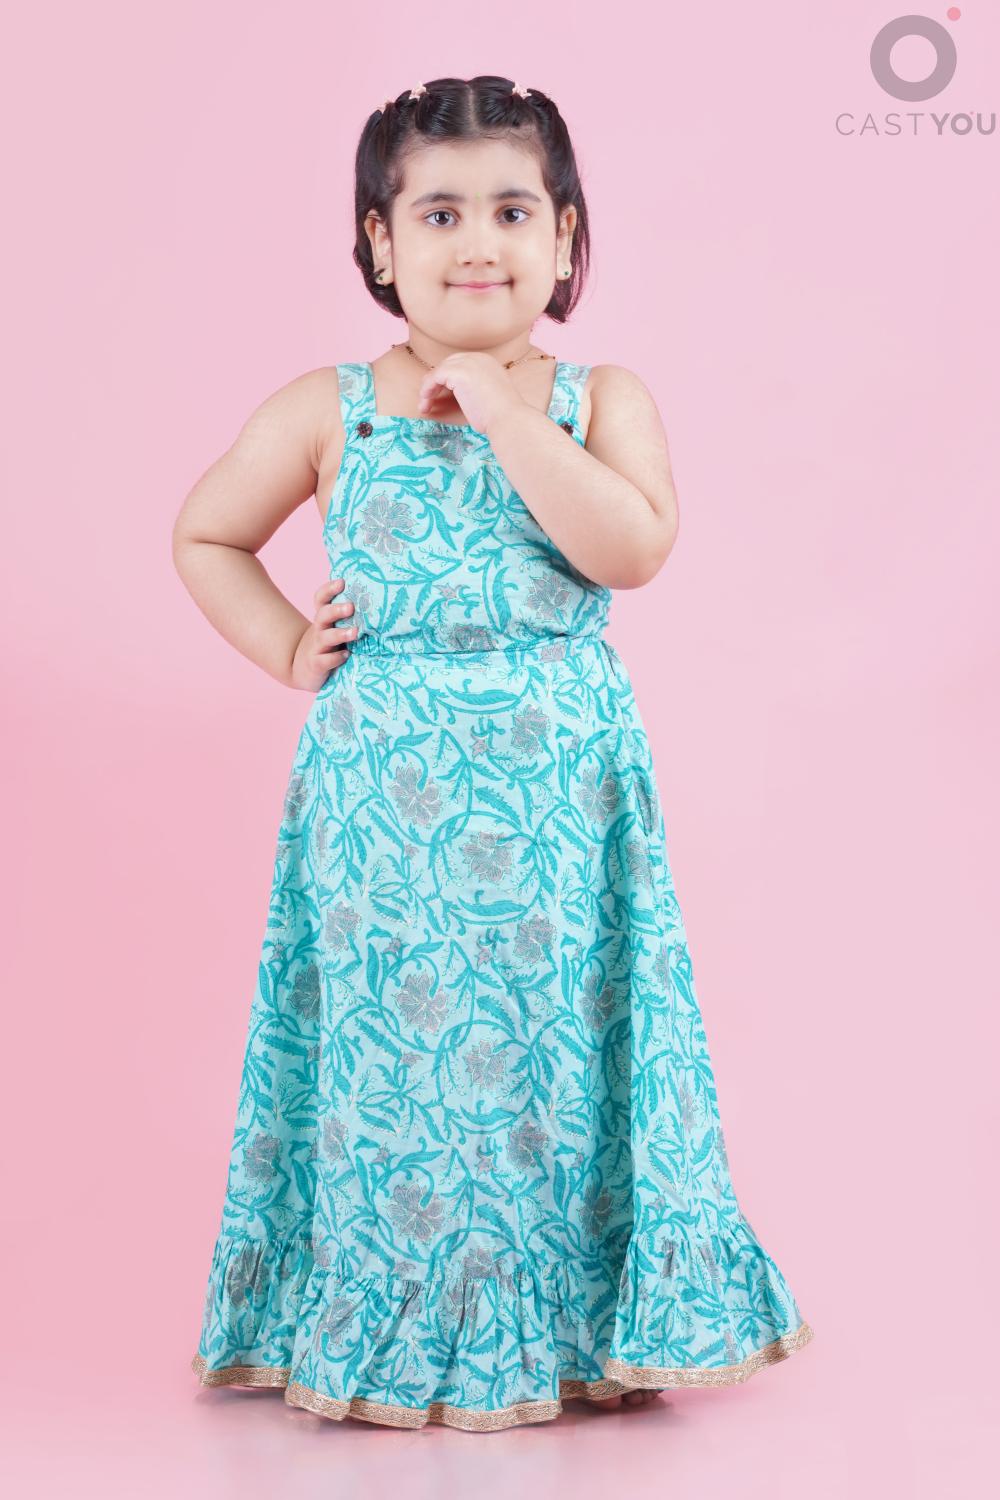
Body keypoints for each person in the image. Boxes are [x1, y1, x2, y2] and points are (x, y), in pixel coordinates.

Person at [177, 75, 814, 1434]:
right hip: (384, 814)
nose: (479, 242)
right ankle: (390, 1308)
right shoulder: (330, 409)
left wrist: (504, 412)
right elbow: (206, 533)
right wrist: (289, 646)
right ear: (378, 240)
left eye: (514, 211)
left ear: (567, 235)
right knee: (398, 1058)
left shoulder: (597, 398)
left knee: (556, 1051)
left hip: (564, 807)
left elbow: (632, 548)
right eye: (440, 213)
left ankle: (575, 1320)